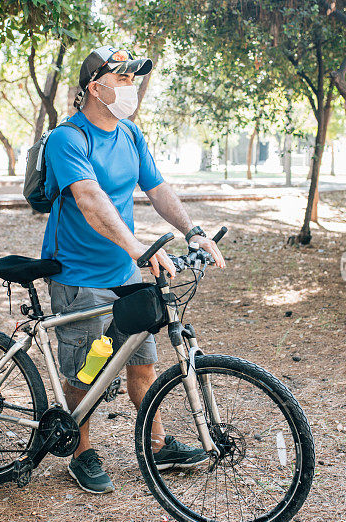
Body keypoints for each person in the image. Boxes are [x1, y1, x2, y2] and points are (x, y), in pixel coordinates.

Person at [41, 45, 226, 494]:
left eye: (132, 77)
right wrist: (140, 248)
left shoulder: (130, 135)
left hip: (124, 271)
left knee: (141, 364)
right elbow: (89, 198)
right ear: (94, 86)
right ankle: (81, 451)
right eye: (121, 77)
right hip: (78, 275)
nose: (130, 86)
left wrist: (192, 230)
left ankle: (157, 445)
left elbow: (158, 189)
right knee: (85, 372)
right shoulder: (67, 138)